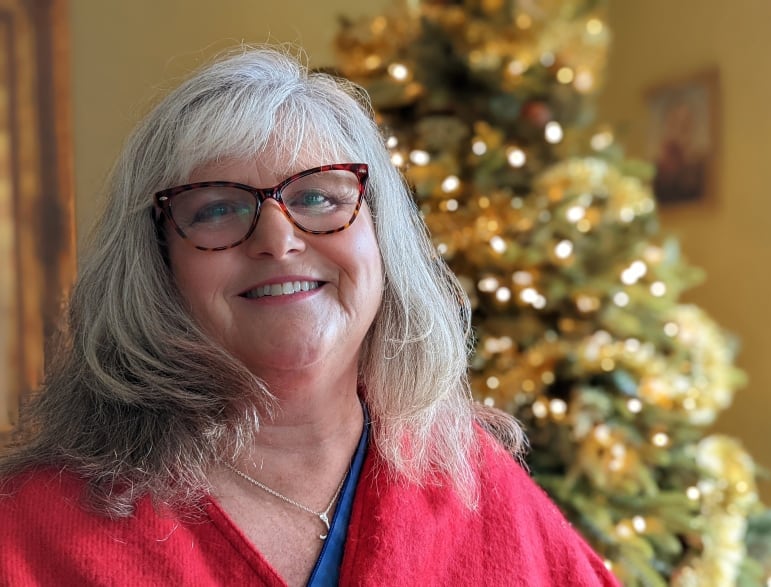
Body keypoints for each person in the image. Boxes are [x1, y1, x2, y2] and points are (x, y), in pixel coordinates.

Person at [0, 46, 619, 586]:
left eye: (319, 196)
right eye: (217, 209)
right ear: (156, 265)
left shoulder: (476, 484)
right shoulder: (30, 531)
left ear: (383, 241)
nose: (277, 239)